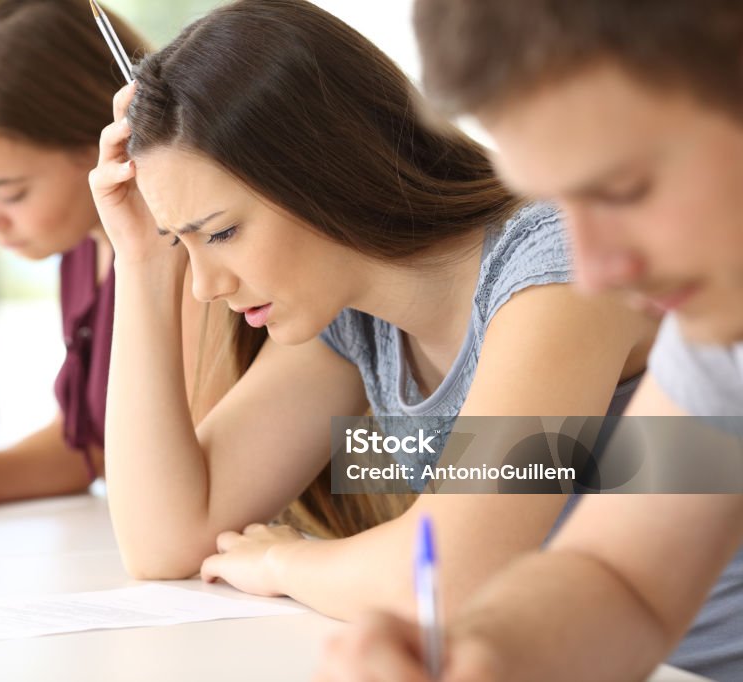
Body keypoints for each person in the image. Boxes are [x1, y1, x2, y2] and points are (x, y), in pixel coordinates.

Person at [88, 0, 656, 622]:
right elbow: (165, 541)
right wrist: (142, 260)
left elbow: (447, 573)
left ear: (322, 169)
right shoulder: (354, 318)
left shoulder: (559, 264)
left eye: (220, 233)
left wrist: (283, 562)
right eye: (182, 242)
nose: (203, 286)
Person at [315, 1, 743, 680]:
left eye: (624, 189)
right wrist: (486, 652)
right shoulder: (722, 331)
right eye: (558, 204)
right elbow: (620, 577)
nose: (596, 271)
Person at [0, 0, 238, 517]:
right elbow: (94, 444)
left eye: (9, 193)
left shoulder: (189, 263)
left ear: (110, 140)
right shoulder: (83, 246)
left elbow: (189, 469)